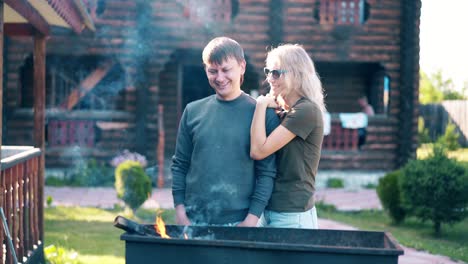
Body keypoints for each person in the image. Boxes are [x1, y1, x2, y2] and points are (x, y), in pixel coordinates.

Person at [171, 37, 280, 227]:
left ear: (242, 67)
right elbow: (180, 165)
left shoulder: (262, 114)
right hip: (192, 219)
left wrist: (251, 219)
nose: (219, 78)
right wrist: (180, 210)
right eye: (212, 71)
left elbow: (266, 173)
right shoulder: (192, 111)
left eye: (226, 70)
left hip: (239, 221)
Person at [250, 44, 326, 229]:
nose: (269, 79)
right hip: (269, 208)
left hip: (292, 213)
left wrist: (260, 105)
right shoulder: (284, 111)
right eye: (268, 72)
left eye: (276, 73)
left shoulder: (306, 110)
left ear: (297, 74)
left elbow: (258, 151)